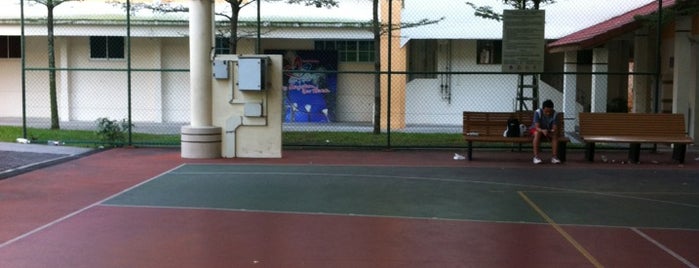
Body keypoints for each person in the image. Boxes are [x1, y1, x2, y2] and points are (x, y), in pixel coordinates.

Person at [530, 99, 561, 164]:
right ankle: (536, 157)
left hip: (548, 130)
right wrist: (542, 130)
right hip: (536, 130)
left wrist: (550, 131)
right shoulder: (538, 112)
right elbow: (537, 127)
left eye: (550, 111)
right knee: (537, 133)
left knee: (555, 135)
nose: (548, 113)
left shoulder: (555, 114)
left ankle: (554, 157)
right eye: (546, 111)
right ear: (543, 109)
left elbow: (554, 128)